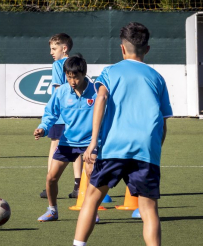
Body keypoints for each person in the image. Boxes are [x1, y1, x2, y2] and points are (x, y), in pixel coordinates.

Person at [73, 22, 173, 246]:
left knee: (91, 199)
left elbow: (100, 98)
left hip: (114, 146)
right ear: (147, 49)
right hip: (146, 149)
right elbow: (163, 122)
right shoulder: (157, 78)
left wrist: (92, 143)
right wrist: (155, 150)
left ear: (122, 48)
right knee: (148, 209)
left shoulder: (110, 72)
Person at [34, 55, 98, 222]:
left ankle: (92, 212)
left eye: (75, 76)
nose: (72, 81)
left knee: (91, 177)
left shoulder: (97, 92)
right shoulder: (61, 92)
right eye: (69, 77)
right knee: (51, 178)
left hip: (90, 143)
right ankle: (52, 210)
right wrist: (43, 128)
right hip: (67, 142)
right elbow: (51, 113)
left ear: (84, 74)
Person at [39, 33, 83, 199]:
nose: (51, 52)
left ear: (64, 48)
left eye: (54, 48)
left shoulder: (58, 65)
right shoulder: (77, 65)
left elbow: (59, 91)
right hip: (75, 115)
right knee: (78, 149)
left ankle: (49, 184)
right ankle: (79, 186)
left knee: (54, 146)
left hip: (60, 116)